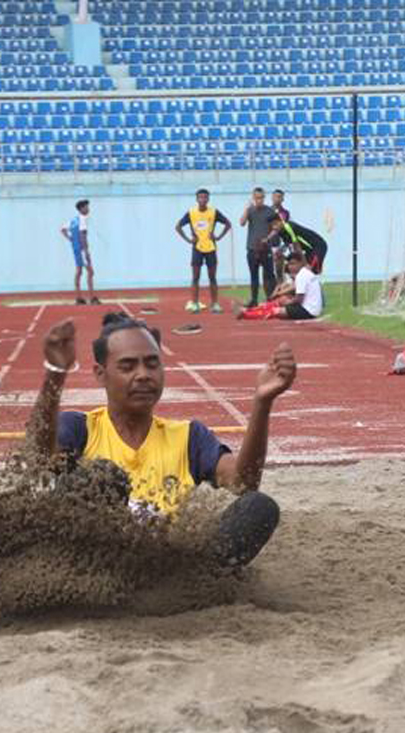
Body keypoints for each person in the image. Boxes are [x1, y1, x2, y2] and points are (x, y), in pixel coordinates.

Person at [26, 313, 296, 566]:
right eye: (128, 366)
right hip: (93, 565)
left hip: (163, 570)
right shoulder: (80, 428)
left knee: (259, 507)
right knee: (104, 478)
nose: (143, 375)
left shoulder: (188, 436)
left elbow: (242, 482)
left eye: (152, 364)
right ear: (100, 374)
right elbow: (40, 459)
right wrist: (55, 374)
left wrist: (262, 402)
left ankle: (196, 586)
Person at [175, 189, 231, 314]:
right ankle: (194, 304)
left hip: (211, 247)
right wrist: (189, 240)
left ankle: (215, 304)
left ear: (208, 199)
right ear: (196, 199)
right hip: (197, 248)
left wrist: (219, 237)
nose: (202, 200)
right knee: (195, 277)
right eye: (200, 197)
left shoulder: (214, 212)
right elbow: (178, 226)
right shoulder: (191, 212)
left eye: (205, 197)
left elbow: (228, 224)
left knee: (213, 278)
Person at [235, 256, 323, 321]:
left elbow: (299, 298)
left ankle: (246, 314)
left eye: (293, 264)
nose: (290, 267)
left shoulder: (301, 276)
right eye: (289, 264)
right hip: (309, 308)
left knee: (276, 311)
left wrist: (288, 302)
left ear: (300, 263)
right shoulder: (304, 273)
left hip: (308, 311)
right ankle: (248, 311)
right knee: (281, 301)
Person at [238, 187, 280, 308]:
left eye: (261, 198)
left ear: (264, 197)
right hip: (252, 248)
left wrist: (268, 238)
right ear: (253, 198)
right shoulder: (250, 211)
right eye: (257, 198)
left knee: (269, 276)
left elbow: (276, 227)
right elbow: (241, 223)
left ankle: (270, 299)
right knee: (254, 275)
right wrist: (246, 209)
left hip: (266, 248)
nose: (259, 200)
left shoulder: (270, 211)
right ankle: (254, 300)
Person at [60, 199, 98, 305]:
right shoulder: (82, 220)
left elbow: (62, 229)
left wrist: (71, 239)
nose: (88, 208)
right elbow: (82, 235)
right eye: (86, 207)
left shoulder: (73, 220)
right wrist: (86, 251)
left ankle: (79, 298)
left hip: (75, 249)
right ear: (81, 209)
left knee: (79, 272)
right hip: (81, 249)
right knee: (90, 272)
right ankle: (92, 298)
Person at [263, 218, 328, 274]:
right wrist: (268, 239)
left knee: (310, 270)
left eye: (275, 224)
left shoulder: (289, 227)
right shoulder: (280, 231)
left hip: (318, 246)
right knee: (302, 269)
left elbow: (297, 246)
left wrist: (304, 263)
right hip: (309, 250)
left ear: (280, 221)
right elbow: (287, 243)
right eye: (272, 226)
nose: (274, 227)